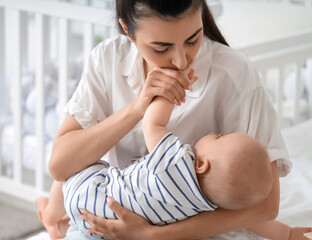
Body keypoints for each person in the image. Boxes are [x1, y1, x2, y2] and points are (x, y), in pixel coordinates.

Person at [46, 0, 301, 239]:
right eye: (161, 48)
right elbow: (60, 166)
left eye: (193, 40)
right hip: (108, 216)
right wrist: (137, 107)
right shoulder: (107, 59)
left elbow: (266, 205)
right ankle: (53, 215)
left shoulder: (234, 75)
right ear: (127, 29)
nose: (181, 60)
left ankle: (53, 215)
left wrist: (150, 235)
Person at [36, 93, 311, 240]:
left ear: (201, 164)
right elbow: (258, 222)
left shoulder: (175, 164)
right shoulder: (211, 206)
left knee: (74, 168)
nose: (216, 133)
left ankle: (51, 214)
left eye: (219, 136)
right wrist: (288, 235)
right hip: (104, 229)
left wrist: (169, 93)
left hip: (93, 197)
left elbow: (152, 124)